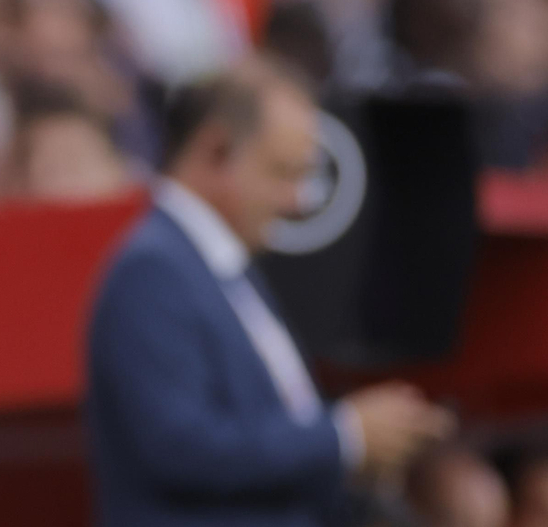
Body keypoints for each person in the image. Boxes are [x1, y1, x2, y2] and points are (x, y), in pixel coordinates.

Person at [86, 60, 456, 526]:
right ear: (216, 150)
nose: (297, 200)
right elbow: (180, 448)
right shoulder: (152, 270)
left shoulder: (222, 267)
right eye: (282, 172)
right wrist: (345, 436)